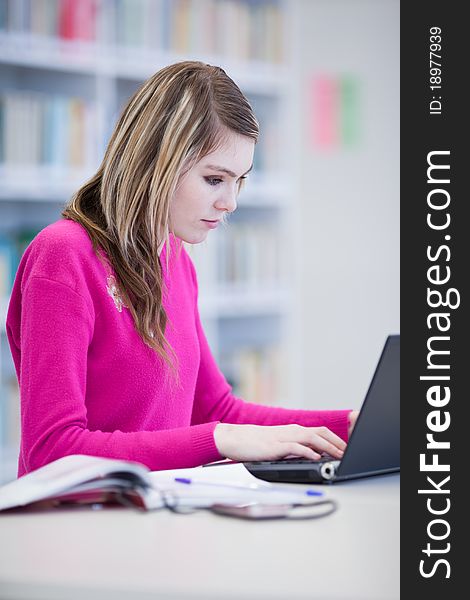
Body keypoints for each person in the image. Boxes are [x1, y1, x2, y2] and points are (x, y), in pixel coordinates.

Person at [6, 61, 358, 477]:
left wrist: (347, 424)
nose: (230, 203)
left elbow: (215, 408)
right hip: (78, 525)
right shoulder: (63, 255)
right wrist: (216, 439)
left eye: (238, 181)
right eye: (214, 179)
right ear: (155, 162)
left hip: (156, 518)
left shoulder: (175, 260)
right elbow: (53, 448)